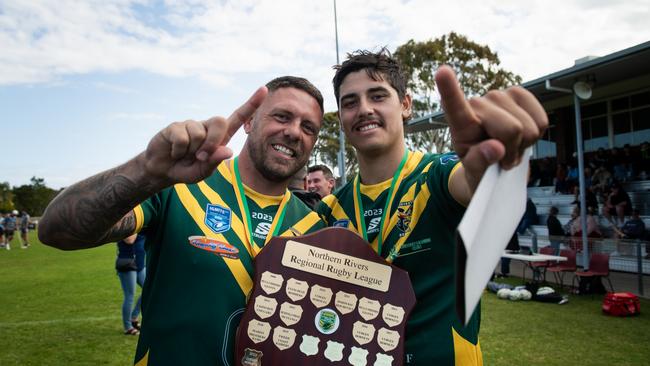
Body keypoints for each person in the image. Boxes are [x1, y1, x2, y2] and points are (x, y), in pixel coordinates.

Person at [38, 76, 327, 365]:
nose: (293, 132)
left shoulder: (314, 229)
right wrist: (145, 171)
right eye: (282, 116)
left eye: (308, 127)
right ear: (249, 122)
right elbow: (57, 230)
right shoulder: (179, 186)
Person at [317, 49, 547, 365]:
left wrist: (500, 165)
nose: (364, 109)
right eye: (350, 102)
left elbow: (474, 183)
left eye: (378, 95)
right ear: (341, 118)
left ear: (406, 105)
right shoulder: (331, 210)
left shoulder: (437, 174)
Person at [116, 233, 146, 335]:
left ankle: (134, 317)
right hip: (128, 264)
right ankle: (127, 327)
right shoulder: (126, 223)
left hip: (140, 265)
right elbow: (129, 240)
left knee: (150, 289)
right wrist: (138, 226)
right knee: (130, 296)